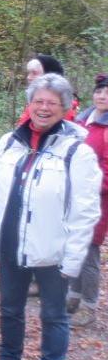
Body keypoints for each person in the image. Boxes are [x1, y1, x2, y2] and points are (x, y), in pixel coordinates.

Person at [0, 74, 101, 360]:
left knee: (53, 315)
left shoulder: (77, 152)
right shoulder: (8, 142)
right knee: (10, 308)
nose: (44, 109)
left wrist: (73, 259)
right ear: (29, 105)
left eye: (52, 103)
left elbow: (85, 211)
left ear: (66, 108)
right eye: (38, 102)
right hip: (10, 242)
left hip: (53, 250)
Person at [68, 73, 108, 327]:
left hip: (98, 199)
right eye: (99, 92)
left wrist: (92, 186)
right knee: (73, 244)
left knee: (90, 249)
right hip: (73, 194)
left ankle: (89, 305)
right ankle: (73, 295)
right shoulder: (83, 120)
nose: (102, 96)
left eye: (107, 93)